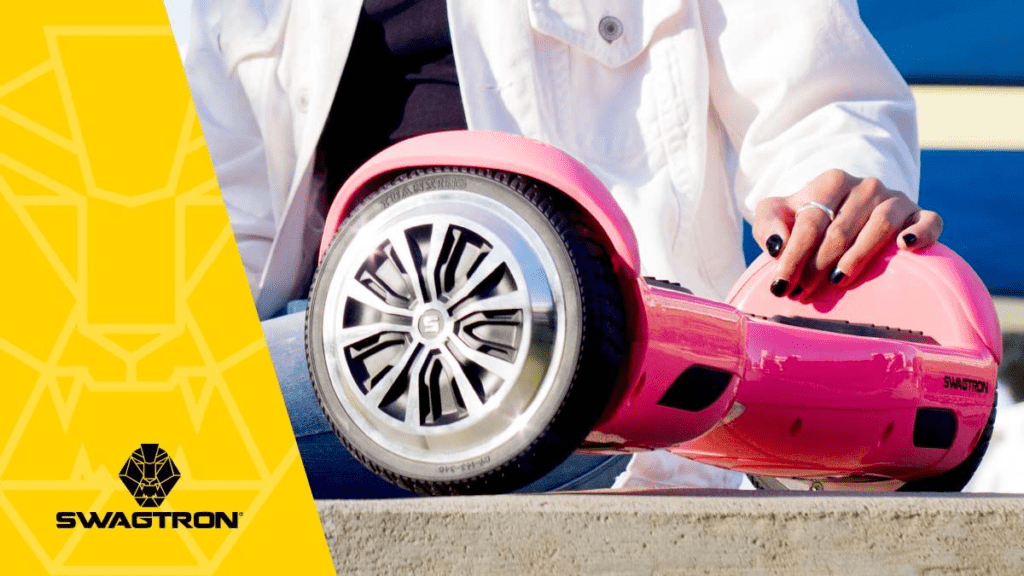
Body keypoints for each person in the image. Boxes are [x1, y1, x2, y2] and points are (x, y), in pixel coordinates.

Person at [184, 0, 942, 497]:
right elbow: (219, 227)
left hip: (598, 362)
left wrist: (833, 203)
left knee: (128, 450)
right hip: (337, 340)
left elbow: (821, 103)